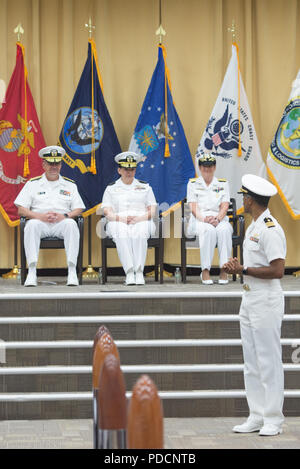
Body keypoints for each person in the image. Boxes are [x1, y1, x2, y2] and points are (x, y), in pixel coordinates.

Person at [223, 174, 286, 437]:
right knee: (251, 361)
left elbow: (278, 269)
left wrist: (244, 269)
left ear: (250, 199)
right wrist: (237, 269)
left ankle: (273, 418)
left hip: (266, 300)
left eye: (244, 197)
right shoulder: (253, 225)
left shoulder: (271, 228)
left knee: (268, 361)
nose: (243, 201)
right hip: (249, 298)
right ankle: (256, 414)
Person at [14, 145, 85, 287]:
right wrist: (38, 216)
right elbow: (21, 209)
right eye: (51, 163)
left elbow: (79, 209)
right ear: (44, 164)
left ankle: (72, 271)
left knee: (72, 224)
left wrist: (65, 215)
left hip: (61, 222)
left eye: (57, 163)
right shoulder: (32, 184)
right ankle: (32, 272)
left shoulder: (70, 185)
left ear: (61, 165)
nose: (54, 166)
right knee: (31, 225)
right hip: (40, 222)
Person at [101, 151, 157, 285]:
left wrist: (138, 219)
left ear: (135, 170)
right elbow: (107, 211)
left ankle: (139, 271)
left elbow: (152, 210)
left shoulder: (145, 187)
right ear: (119, 170)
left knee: (141, 231)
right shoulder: (111, 188)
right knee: (121, 232)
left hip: (141, 219)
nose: (129, 172)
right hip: (117, 220)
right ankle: (130, 272)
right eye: (126, 169)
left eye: (132, 169)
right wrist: (121, 219)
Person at [186, 154, 233, 284]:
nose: (207, 169)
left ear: (214, 167)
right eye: (204, 167)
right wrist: (205, 219)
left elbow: (225, 206)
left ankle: (225, 269)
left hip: (219, 218)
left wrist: (217, 219)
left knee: (225, 230)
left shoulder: (223, 183)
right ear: (200, 168)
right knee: (208, 231)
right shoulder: (193, 183)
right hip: (200, 219)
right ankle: (205, 270)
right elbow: (193, 207)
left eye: (210, 166)